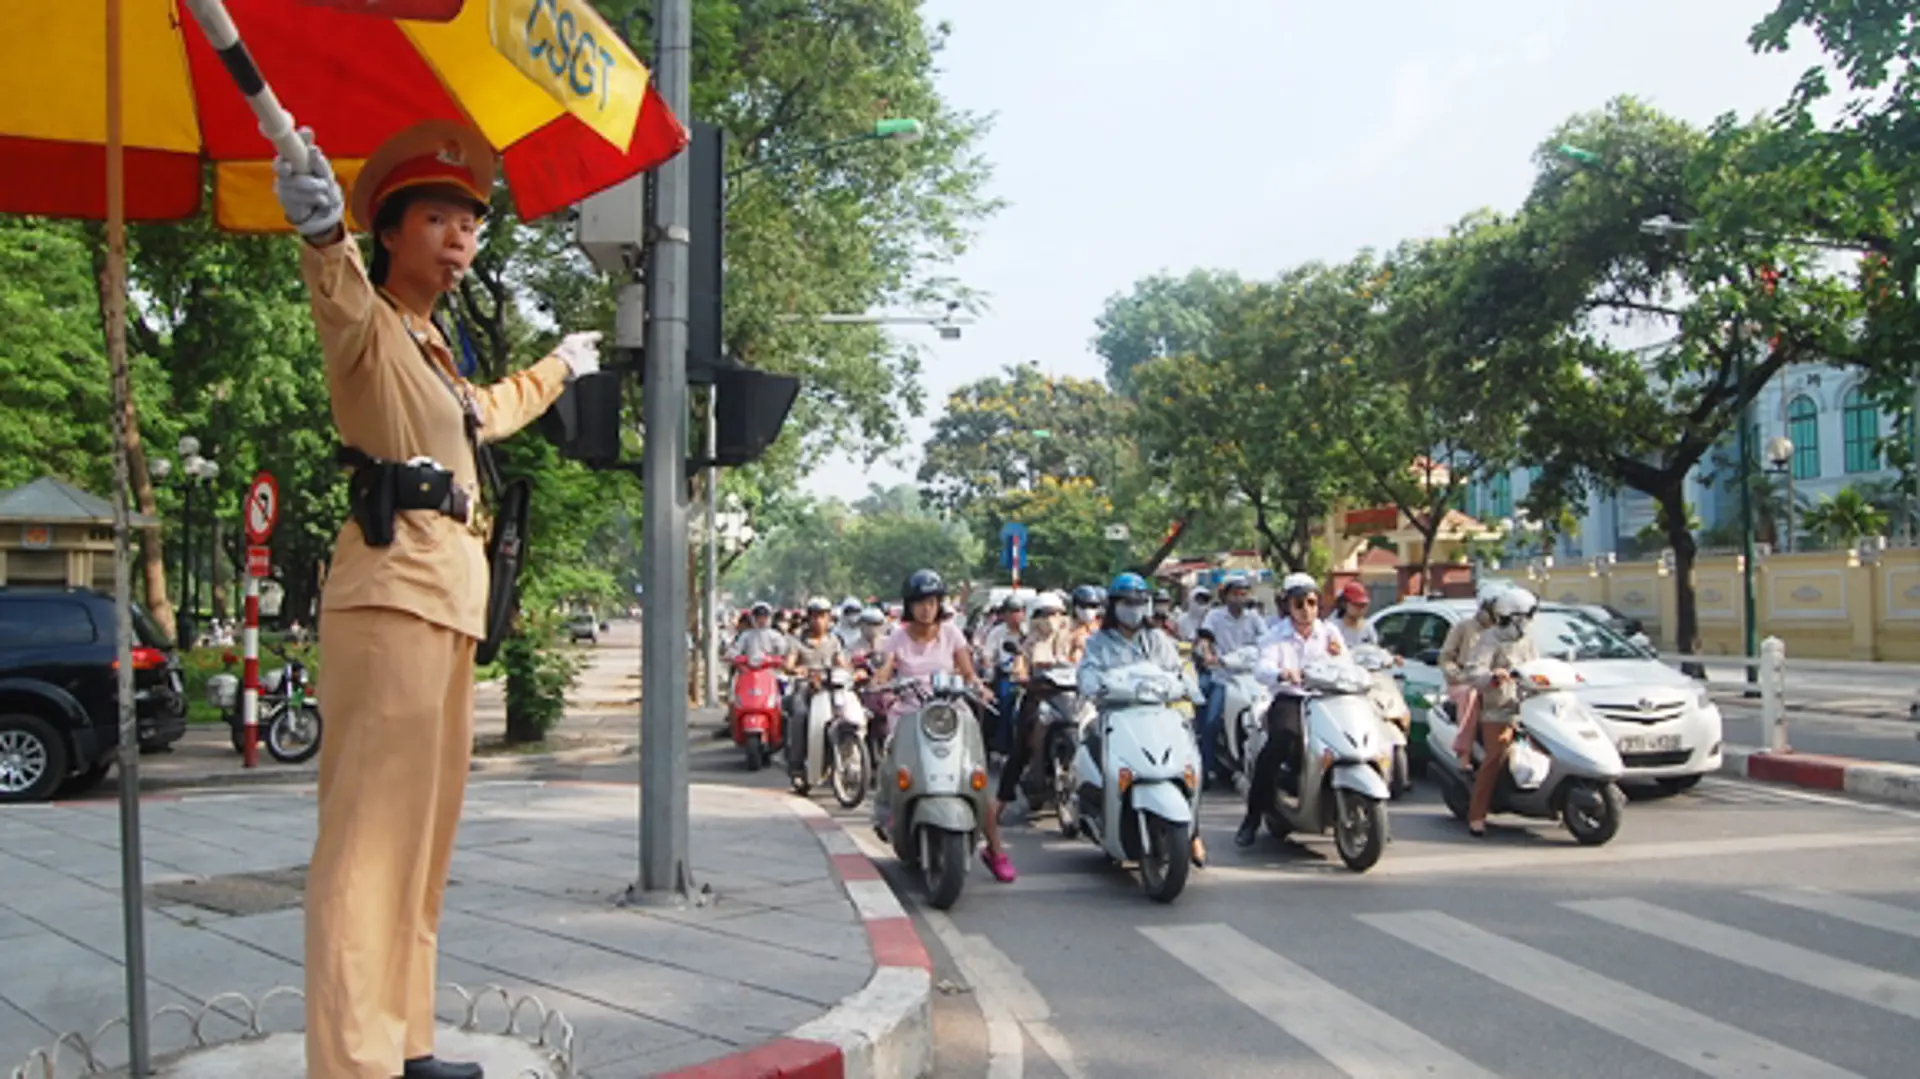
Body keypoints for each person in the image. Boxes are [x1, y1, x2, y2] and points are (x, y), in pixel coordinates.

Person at [275, 120, 599, 1079]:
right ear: (390, 233)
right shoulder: (370, 324)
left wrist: (560, 368)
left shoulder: (435, 353)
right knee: (367, 844)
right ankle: (354, 1062)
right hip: (390, 596)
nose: (459, 239)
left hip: (449, 601)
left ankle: (407, 1040)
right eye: (436, 219)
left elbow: (488, 410)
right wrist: (319, 230)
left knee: (421, 843)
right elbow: (333, 289)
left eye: (469, 223)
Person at [871, 569, 1015, 881]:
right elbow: (884, 669)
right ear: (910, 605)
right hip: (910, 710)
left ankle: (995, 849)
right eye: (921, 602)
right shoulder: (897, 636)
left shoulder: (951, 633)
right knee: (893, 762)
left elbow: (967, 672)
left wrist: (979, 686)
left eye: (933, 602)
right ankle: (889, 813)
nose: (927, 608)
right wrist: (880, 680)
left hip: (951, 710)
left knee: (974, 776)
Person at [1078, 573, 1206, 866]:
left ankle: (1193, 831)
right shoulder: (1098, 643)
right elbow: (1087, 673)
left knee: (1190, 764)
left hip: (1159, 714)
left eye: (1139, 601)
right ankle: (1103, 817)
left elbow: (1178, 672)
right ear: (1113, 605)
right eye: (1127, 602)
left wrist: (1187, 687)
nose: (1133, 607)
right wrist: (1094, 684)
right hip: (1117, 714)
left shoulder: (1158, 639)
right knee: (1103, 762)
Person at [1236, 573, 1344, 847]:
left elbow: (1347, 662)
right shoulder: (1275, 636)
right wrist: (1281, 673)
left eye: (1311, 602)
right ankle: (1253, 816)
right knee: (1281, 742)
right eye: (1299, 603)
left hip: (1328, 699)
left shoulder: (1330, 633)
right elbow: (1262, 668)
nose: (1306, 610)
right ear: (1287, 605)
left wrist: (1340, 659)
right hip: (1290, 699)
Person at [1464, 587, 1539, 835]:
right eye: (1524, 617)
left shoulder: (1527, 641)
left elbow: (1537, 666)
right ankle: (1477, 815)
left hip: (1530, 707)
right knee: (1494, 758)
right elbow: (1473, 672)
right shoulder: (1490, 639)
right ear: (1513, 617)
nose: (1527, 622)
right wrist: (1494, 677)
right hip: (1499, 709)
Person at [1194, 574, 1264, 789]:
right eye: (1235, 593)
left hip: (1252, 677)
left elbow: (1267, 640)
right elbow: (1205, 638)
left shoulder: (1254, 618)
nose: (1240, 598)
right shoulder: (1215, 616)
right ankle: (1206, 769)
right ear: (1225, 596)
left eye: (1243, 593)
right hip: (1223, 678)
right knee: (1211, 722)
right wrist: (1207, 655)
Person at [1442, 581, 1508, 768]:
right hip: (1464, 683)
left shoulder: (1504, 633)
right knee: (1470, 694)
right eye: (1492, 609)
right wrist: (1458, 675)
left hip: (1494, 682)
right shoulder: (1464, 628)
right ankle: (1465, 753)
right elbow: (1446, 658)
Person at [785, 597, 848, 779]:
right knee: (801, 714)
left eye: (822, 616)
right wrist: (797, 669)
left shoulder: (834, 641)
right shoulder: (797, 641)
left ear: (829, 619)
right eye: (814, 616)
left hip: (830, 688)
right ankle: (796, 763)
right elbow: (789, 663)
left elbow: (842, 663)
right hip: (805, 688)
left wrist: (852, 671)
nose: (818, 621)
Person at [1329, 581, 1378, 651]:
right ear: (1344, 603)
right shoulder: (1334, 627)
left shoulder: (1368, 628)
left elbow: (1375, 652)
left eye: (1363, 605)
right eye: (1356, 604)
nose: (1360, 609)